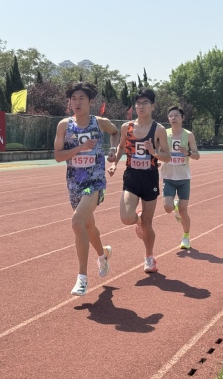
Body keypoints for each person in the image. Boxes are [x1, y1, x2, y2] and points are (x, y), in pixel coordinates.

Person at [54, 81, 120, 296]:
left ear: (90, 101)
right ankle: (103, 255)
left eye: (81, 98)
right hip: (74, 182)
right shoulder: (64, 125)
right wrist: (80, 148)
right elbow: (58, 156)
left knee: (77, 222)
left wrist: (113, 150)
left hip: (95, 182)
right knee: (88, 226)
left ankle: (82, 278)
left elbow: (115, 132)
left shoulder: (100, 123)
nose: (77, 102)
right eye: (73, 99)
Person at [107, 88, 171, 273]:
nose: (141, 106)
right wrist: (114, 163)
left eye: (145, 103)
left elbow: (167, 156)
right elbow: (121, 147)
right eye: (138, 103)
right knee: (126, 217)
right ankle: (137, 220)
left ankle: (149, 258)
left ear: (153, 106)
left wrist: (154, 152)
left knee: (148, 223)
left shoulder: (158, 129)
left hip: (150, 177)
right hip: (132, 176)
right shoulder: (126, 127)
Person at [162, 105, 200, 249]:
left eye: (176, 115)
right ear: (168, 119)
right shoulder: (164, 134)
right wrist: (158, 160)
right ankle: (175, 206)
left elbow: (197, 155)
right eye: (171, 116)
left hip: (184, 178)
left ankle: (186, 237)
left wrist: (188, 153)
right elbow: (159, 151)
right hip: (168, 177)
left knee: (184, 211)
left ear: (182, 118)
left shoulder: (188, 135)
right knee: (167, 208)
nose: (173, 118)